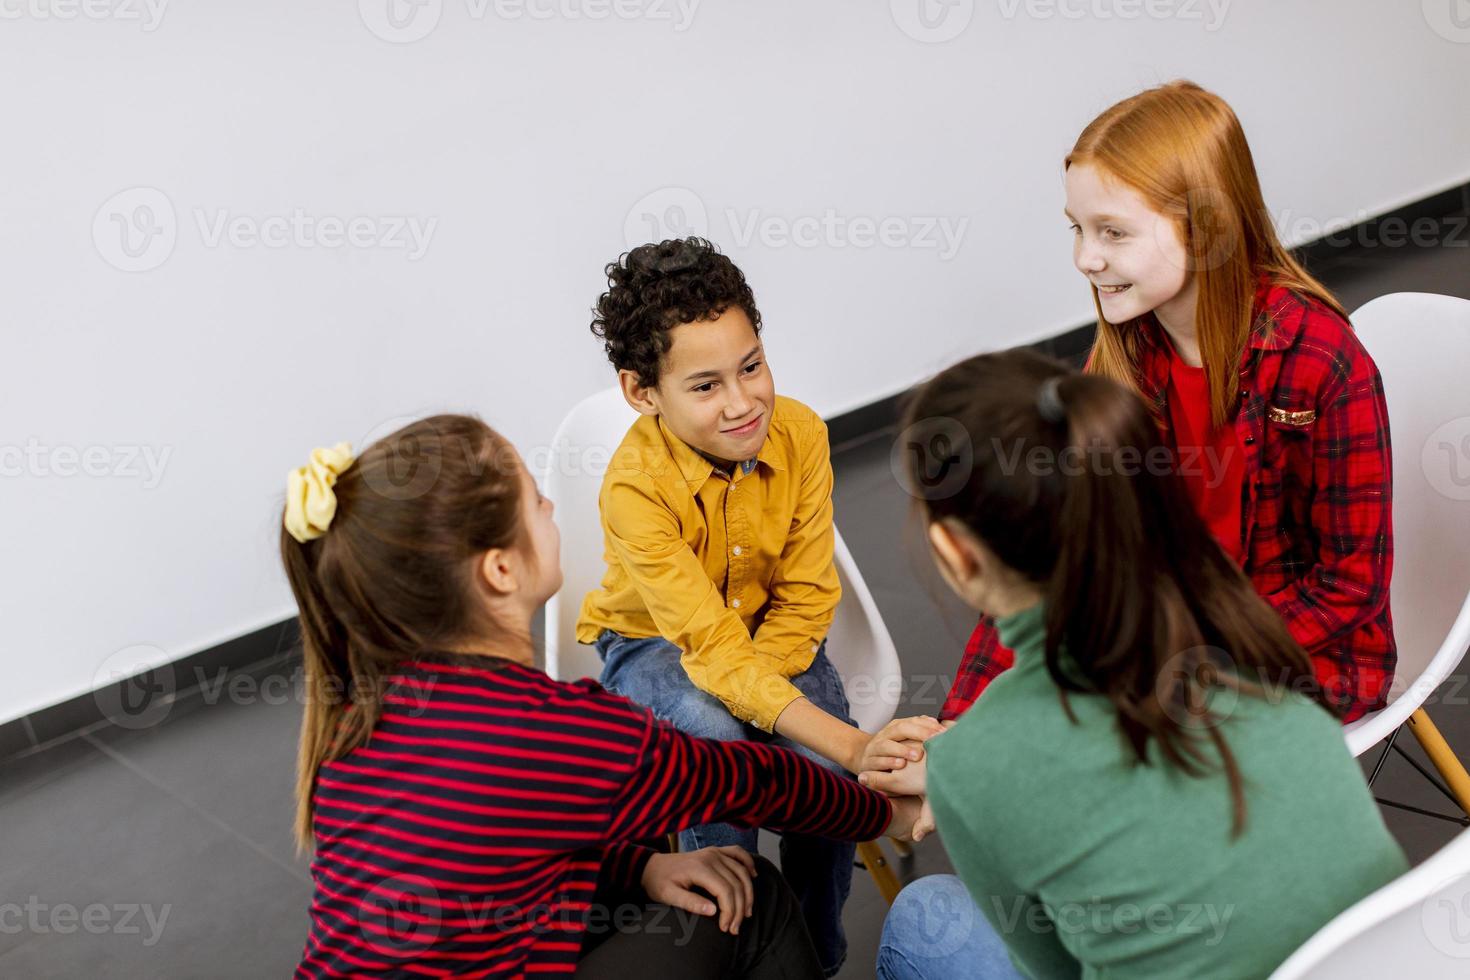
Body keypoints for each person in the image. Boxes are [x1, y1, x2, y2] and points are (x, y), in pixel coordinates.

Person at [278, 415, 922, 978]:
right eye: (535, 501)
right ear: (499, 570)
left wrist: (640, 871)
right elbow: (752, 783)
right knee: (756, 898)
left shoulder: (357, 718)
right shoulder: (558, 729)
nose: (553, 509)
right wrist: (884, 813)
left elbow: (512, 853)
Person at [873, 350, 1407, 979]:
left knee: (923, 916)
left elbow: (1057, 969)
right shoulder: (1252, 639)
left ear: (956, 554)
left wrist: (962, 774)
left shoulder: (973, 767)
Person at [943, 80, 1395, 725]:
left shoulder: (1322, 362)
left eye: (1113, 233)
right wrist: (958, 724)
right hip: (1172, 636)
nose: (1085, 258)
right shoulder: (1122, 361)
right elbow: (1053, 552)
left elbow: (1349, 588)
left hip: (1301, 655)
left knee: (1093, 738)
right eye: (1077, 229)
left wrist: (1181, 655)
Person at [577, 237, 941, 976]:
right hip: (654, 645)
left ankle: (810, 949)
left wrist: (769, 706)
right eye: (706, 386)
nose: (744, 402)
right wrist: (844, 741)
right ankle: (732, 949)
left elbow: (807, 598)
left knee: (818, 773)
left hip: (770, 635)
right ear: (641, 393)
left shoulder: (801, 433)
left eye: (751, 366)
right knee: (717, 740)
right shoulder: (633, 487)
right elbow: (707, 651)